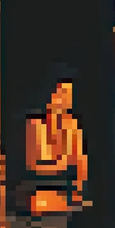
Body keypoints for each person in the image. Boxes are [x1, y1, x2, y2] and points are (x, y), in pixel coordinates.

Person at [22, 77, 86, 215]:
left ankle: (70, 203)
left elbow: (80, 160)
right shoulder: (36, 124)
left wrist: (79, 186)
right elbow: (34, 166)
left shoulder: (72, 124)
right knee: (37, 202)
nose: (65, 100)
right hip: (40, 183)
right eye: (62, 93)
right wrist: (62, 163)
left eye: (68, 95)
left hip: (66, 184)